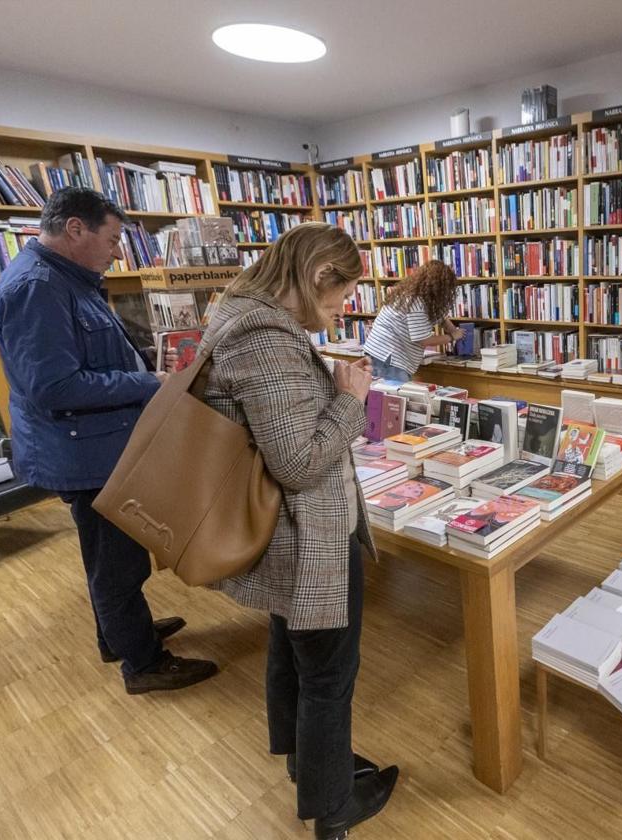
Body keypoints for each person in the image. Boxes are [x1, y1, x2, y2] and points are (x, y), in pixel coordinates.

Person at [201, 222, 398, 840]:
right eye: (339, 298)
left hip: (285, 535)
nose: (341, 313)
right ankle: (332, 807)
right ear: (316, 278)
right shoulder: (263, 336)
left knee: (294, 646)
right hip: (305, 538)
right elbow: (298, 463)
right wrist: (350, 400)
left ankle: (304, 760)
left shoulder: (244, 318)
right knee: (328, 674)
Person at [0, 187, 218, 693]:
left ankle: (118, 637)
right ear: (75, 229)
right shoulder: (36, 288)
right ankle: (144, 664)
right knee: (118, 563)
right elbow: (54, 387)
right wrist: (147, 383)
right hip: (83, 454)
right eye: (113, 239)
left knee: (106, 555)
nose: (118, 251)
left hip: (93, 447)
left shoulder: (69, 280)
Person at [362, 259, 463, 381]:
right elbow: (424, 340)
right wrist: (452, 337)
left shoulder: (415, 295)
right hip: (389, 359)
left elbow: (440, 317)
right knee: (394, 398)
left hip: (381, 354)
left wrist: (453, 329)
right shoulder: (415, 302)